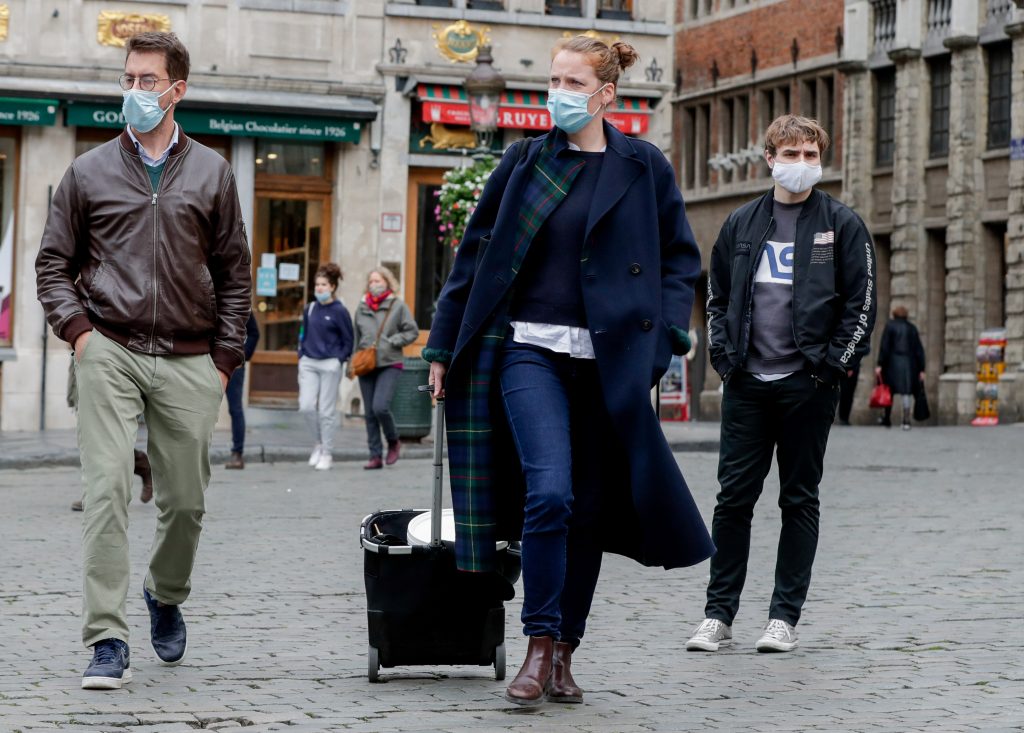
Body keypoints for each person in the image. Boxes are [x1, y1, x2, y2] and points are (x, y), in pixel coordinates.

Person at [424, 36, 714, 707]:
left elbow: (680, 261)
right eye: (553, 80)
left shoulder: (643, 166)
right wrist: (442, 346)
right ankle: (537, 642)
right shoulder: (527, 160)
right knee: (550, 492)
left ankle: (564, 653)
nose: (558, 92)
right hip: (528, 350)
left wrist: (665, 339)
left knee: (586, 509)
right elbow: (474, 254)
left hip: (611, 364)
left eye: (572, 82)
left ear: (606, 94)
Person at [35, 31, 252, 690]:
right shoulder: (89, 171)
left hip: (190, 358)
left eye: (147, 80)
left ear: (176, 90)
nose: (134, 90)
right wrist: (79, 333)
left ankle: (165, 591)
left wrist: (223, 360)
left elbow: (234, 273)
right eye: (128, 78)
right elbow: (52, 263)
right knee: (106, 491)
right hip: (109, 346)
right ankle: (106, 637)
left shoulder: (213, 172)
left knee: (185, 503)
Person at [689, 114, 877, 655]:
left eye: (810, 154)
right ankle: (718, 615)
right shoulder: (741, 223)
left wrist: (831, 367)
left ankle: (782, 618)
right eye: (791, 154)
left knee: (798, 499)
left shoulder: (842, 225)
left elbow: (861, 303)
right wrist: (726, 361)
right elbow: (717, 297)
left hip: (808, 384)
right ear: (769, 159)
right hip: (748, 383)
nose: (801, 164)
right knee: (733, 500)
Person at [349, 266, 419, 469]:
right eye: (371, 281)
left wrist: (393, 341)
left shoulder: (398, 305)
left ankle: (393, 440)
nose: (374, 285)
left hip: (390, 362)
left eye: (378, 281)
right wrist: (351, 364)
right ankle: (375, 455)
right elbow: (356, 338)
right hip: (365, 363)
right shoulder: (362, 307)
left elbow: (412, 331)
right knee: (369, 413)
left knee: (380, 407)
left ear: (387, 282)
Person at [67, 354, 154, 511]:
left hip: (105, 374)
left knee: (104, 441)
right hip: (84, 366)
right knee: (92, 443)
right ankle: (139, 466)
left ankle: (100, 494)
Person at [298, 262, 354, 471]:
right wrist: (301, 354)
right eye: (317, 285)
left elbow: (348, 339)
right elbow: (303, 333)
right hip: (309, 362)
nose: (319, 288)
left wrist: (339, 359)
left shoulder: (340, 311)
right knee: (306, 406)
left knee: (326, 411)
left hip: (330, 364)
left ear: (332, 287)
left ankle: (327, 452)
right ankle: (318, 443)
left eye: (323, 285)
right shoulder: (310, 308)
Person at [875, 306, 925, 431]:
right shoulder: (912, 328)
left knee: (889, 391)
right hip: (909, 363)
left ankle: (887, 418)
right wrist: (921, 368)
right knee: (906, 392)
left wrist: (880, 363)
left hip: (892, 363)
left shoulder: (890, 326)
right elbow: (919, 349)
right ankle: (906, 420)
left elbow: (885, 346)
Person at [224, 312, 260, 469]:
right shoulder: (207, 302)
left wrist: (242, 356)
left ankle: (237, 454)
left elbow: (254, 333)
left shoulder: (240, 303)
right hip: (209, 362)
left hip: (234, 365)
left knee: (235, 409)